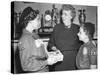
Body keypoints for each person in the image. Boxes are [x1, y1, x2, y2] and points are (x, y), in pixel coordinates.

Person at [18, 7, 57, 73]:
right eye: (37, 19)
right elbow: (26, 65)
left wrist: (49, 54)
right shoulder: (25, 39)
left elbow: (38, 54)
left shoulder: (34, 35)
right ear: (30, 21)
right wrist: (46, 62)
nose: (40, 22)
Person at [47, 4, 82, 71]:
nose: (62, 16)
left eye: (65, 14)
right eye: (62, 14)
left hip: (74, 62)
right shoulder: (57, 28)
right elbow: (50, 44)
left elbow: (81, 46)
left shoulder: (77, 28)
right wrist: (54, 49)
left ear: (71, 16)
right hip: (59, 61)